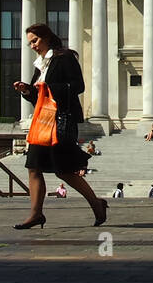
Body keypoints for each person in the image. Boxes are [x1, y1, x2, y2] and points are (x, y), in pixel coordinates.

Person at [12, 23, 108, 230]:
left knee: (64, 171)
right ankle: (36, 214)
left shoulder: (64, 58)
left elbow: (78, 86)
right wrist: (28, 91)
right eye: (30, 43)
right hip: (42, 123)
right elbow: (39, 98)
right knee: (33, 167)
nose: (33, 46)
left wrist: (49, 87)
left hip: (62, 121)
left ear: (46, 37)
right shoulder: (40, 65)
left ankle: (97, 203)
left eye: (35, 41)